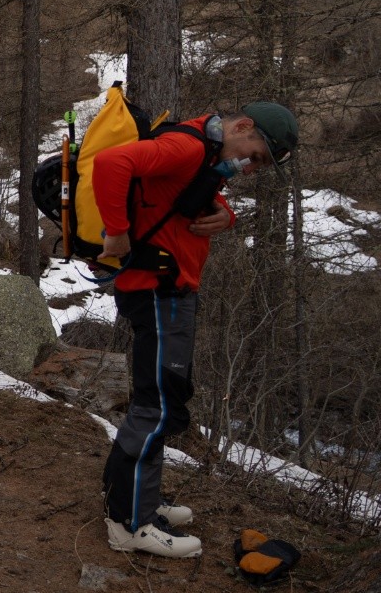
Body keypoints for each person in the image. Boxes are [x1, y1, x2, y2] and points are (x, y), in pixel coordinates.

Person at [92, 101, 298, 559]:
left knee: (161, 397)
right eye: (258, 156)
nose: (252, 167)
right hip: (160, 291)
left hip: (166, 289)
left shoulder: (205, 151)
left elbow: (179, 194)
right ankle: (130, 523)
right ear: (243, 127)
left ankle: (136, 499)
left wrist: (227, 214)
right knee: (157, 403)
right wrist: (117, 231)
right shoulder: (189, 146)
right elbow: (112, 162)